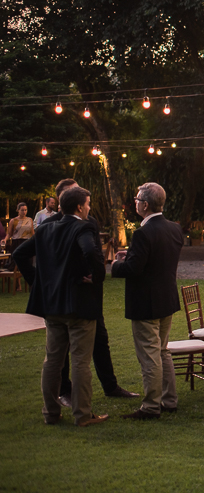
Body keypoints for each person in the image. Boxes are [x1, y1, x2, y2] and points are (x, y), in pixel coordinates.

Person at [13, 186, 109, 427]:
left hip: (52, 306)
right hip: (78, 306)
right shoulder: (82, 227)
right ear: (79, 206)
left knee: (52, 361)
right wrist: (97, 276)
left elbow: (20, 254)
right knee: (80, 361)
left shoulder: (45, 228)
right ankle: (82, 414)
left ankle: (51, 413)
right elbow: (90, 250)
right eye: (87, 204)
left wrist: (38, 282)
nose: (89, 207)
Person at [44, 180, 137, 408]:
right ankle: (66, 393)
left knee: (100, 341)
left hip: (90, 295)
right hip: (65, 297)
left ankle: (110, 385)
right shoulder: (50, 224)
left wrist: (96, 277)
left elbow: (94, 253)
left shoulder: (90, 222)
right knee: (66, 354)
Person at [111, 182, 185, 420]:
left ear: (144, 204)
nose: (135, 202)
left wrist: (115, 265)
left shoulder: (143, 233)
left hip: (146, 302)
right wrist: (131, 254)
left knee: (150, 355)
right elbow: (156, 260)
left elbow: (134, 269)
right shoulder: (174, 229)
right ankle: (169, 400)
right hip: (167, 298)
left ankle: (151, 407)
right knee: (162, 351)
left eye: (136, 199)